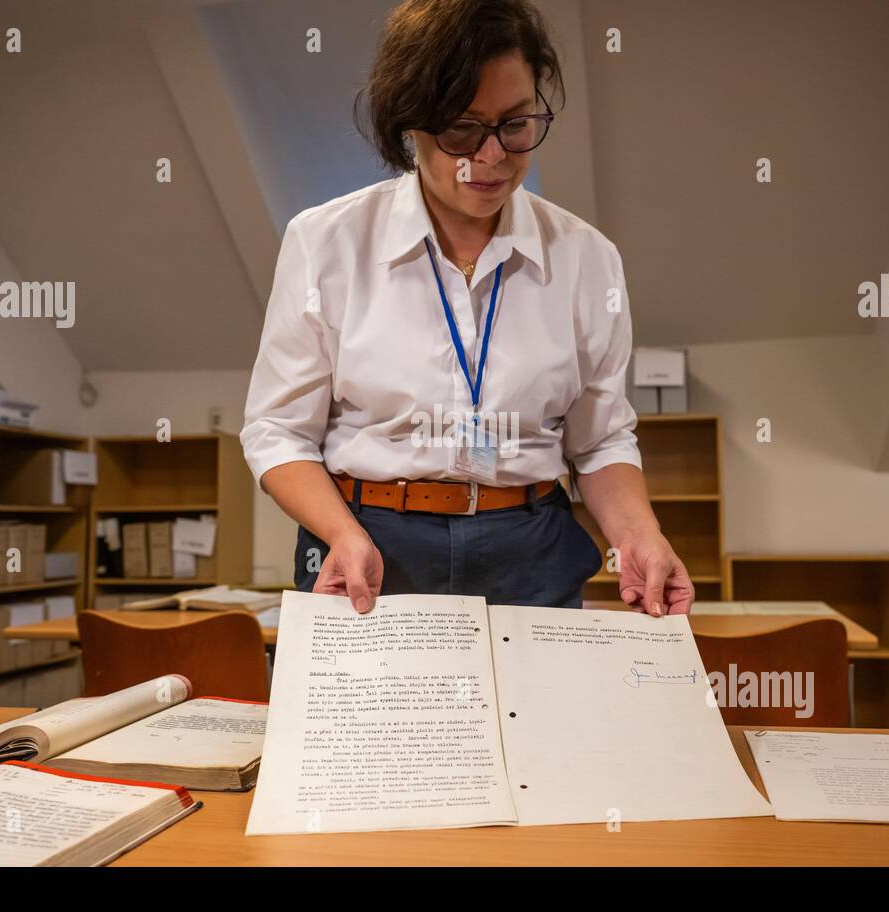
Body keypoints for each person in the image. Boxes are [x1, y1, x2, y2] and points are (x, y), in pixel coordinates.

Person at [241, 0, 694, 617]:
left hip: (531, 547)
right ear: (410, 124)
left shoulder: (588, 258)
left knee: (537, 717)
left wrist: (640, 534)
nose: (490, 157)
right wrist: (342, 534)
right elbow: (278, 431)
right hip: (369, 542)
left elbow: (599, 441)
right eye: (461, 128)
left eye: (515, 124)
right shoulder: (326, 242)